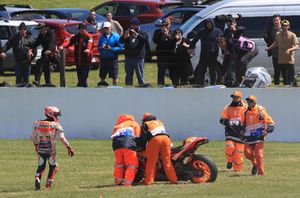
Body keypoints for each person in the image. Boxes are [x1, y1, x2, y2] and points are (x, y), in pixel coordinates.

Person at [30, 106, 75, 190]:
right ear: (51, 114)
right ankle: (48, 183)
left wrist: (36, 146)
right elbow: (62, 138)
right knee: (54, 166)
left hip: (40, 147)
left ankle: (37, 178)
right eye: (56, 115)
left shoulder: (37, 123)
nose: (57, 117)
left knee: (41, 166)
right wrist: (69, 148)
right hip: (51, 149)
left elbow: (32, 137)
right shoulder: (56, 124)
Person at [140, 112, 177, 185]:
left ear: (144, 119)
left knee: (151, 161)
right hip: (166, 139)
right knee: (167, 161)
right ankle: (173, 179)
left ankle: (149, 181)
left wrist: (142, 147)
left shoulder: (146, 124)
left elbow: (143, 138)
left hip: (155, 139)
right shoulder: (159, 122)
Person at [243, 95, 275, 176]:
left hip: (259, 135)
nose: (249, 103)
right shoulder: (244, 111)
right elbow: (241, 122)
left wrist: (267, 130)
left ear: (254, 102)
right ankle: (255, 164)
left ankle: (261, 173)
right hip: (248, 135)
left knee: (258, 154)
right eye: (248, 101)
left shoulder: (261, 110)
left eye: (250, 101)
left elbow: (271, 123)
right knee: (247, 153)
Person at [266, 20, 298, 87]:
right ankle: (286, 87)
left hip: (289, 60)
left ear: (288, 26)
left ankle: (294, 87)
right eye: (283, 25)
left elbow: (296, 46)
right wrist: (269, 48)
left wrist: (289, 49)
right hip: (281, 59)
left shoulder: (292, 35)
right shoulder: (278, 34)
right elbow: (276, 43)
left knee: (291, 75)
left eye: (285, 25)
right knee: (284, 75)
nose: (284, 27)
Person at [220, 91, 247, 172]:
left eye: (236, 97)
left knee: (239, 152)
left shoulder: (245, 107)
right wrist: (228, 122)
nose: (234, 98)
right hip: (230, 131)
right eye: (233, 97)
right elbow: (222, 119)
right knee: (229, 147)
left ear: (240, 98)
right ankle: (229, 161)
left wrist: (242, 127)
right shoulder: (227, 107)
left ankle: (237, 169)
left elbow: (248, 119)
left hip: (240, 132)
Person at [111, 114, 141, 186]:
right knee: (132, 164)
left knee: (119, 163)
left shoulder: (117, 126)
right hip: (128, 143)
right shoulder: (134, 124)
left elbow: (113, 137)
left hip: (116, 144)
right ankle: (127, 182)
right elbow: (137, 136)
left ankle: (118, 181)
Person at [192, 18, 223, 86]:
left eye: (210, 24)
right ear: (205, 24)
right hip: (204, 54)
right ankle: (200, 84)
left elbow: (222, 42)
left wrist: (223, 52)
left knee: (212, 70)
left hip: (213, 54)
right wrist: (191, 47)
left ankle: (213, 84)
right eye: (207, 24)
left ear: (213, 24)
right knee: (201, 70)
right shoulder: (202, 31)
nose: (209, 25)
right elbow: (195, 40)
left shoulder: (217, 31)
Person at [120, 18, 148, 86]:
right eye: (131, 25)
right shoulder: (128, 31)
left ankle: (142, 86)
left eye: (133, 25)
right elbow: (121, 41)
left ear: (137, 25)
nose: (132, 26)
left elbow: (145, 40)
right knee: (128, 75)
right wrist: (124, 36)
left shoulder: (142, 32)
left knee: (140, 75)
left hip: (138, 58)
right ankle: (128, 88)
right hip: (128, 58)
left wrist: (137, 35)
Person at [97, 21, 123, 86]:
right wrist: (101, 47)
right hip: (103, 58)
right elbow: (98, 48)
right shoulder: (101, 37)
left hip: (113, 59)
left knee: (114, 76)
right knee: (102, 76)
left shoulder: (116, 36)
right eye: (105, 28)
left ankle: (115, 89)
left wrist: (112, 49)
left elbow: (120, 47)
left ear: (110, 28)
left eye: (107, 28)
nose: (106, 29)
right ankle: (103, 87)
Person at [153, 18, 174, 85]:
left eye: (166, 24)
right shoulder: (157, 32)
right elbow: (155, 40)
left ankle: (174, 85)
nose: (164, 26)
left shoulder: (172, 32)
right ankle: (160, 86)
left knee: (172, 73)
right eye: (163, 25)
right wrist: (161, 33)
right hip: (161, 56)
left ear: (170, 25)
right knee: (161, 73)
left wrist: (167, 35)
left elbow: (173, 42)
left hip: (170, 56)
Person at [264, 14, 282, 86]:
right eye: (274, 20)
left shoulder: (284, 29)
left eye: (277, 20)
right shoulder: (270, 30)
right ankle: (276, 84)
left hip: (283, 54)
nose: (276, 22)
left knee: (285, 70)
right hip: (275, 53)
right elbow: (268, 40)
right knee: (276, 70)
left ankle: (288, 84)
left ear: (280, 20)